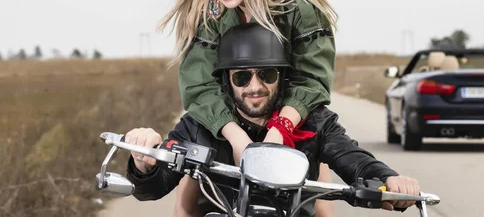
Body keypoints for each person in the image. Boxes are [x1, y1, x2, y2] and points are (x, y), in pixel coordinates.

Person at [125, 23, 420, 216]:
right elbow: (152, 187)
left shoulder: (315, 121)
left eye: (266, 74)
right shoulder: (199, 124)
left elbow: (353, 158)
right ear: (227, 81)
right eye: (242, 76)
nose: (254, 87)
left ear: (282, 77)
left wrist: (389, 178)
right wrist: (144, 162)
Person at [157, 0, 338, 215]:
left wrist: (281, 129)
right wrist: (236, 137)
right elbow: (199, 87)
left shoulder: (299, 8)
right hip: (229, 118)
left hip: (286, 111)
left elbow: (312, 80)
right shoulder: (208, 14)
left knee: (316, 175)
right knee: (193, 172)